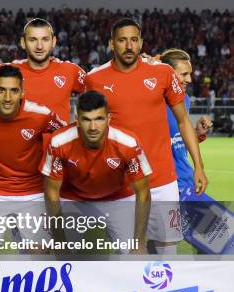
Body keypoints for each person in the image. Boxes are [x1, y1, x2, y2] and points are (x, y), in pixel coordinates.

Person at [86, 18, 208, 255]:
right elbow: (89, 129)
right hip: (120, 183)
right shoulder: (95, 79)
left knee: (167, 250)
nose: (129, 46)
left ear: (141, 42)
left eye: (134, 40)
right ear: (112, 44)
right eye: (122, 40)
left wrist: (198, 167)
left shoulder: (162, 73)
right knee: (127, 252)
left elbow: (183, 121)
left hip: (163, 180)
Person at [0, 65, 66, 254]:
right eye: (1, 90)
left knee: (39, 259)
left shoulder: (41, 114)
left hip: (31, 194)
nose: (7, 98)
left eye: (14, 91)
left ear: (22, 91)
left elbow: (70, 135)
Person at [41, 91, 152, 254]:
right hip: (74, 198)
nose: (93, 127)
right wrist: (59, 243)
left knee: (134, 256)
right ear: (77, 120)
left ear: (108, 119)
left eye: (99, 119)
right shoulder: (59, 142)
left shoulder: (127, 143)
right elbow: (51, 192)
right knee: (56, 254)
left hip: (118, 198)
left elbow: (143, 192)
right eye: (86, 119)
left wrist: (140, 243)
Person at [160, 48, 233, 254]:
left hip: (189, 185)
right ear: (167, 73)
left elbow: (177, 141)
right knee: (221, 245)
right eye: (183, 74)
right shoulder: (153, 104)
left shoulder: (184, 100)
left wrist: (197, 133)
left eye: (189, 73)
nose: (190, 79)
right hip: (172, 190)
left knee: (221, 242)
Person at [0, 18, 86, 121]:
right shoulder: (6, 71)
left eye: (45, 39)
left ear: (53, 42)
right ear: (23, 42)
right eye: (33, 40)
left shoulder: (71, 71)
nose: (39, 46)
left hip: (60, 136)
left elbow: (97, 89)